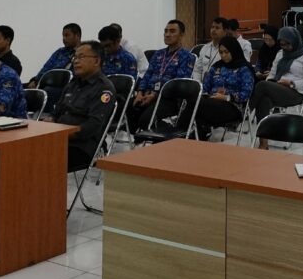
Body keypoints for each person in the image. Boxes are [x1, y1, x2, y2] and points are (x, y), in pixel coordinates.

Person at [50, 40, 117, 171]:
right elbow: (56, 112)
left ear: (96, 61)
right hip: (59, 139)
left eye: (81, 57)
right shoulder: (72, 84)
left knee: (39, 159)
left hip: (82, 147)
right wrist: (50, 121)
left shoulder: (103, 88)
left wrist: (63, 134)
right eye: (75, 57)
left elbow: (92, 126)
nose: (75, 61)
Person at [126, 19, 196, 133]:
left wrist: (154, 95)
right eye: (166, 31)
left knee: (145, 120)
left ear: (182, 35)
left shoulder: (187, 56)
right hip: (147, 95)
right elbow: (147, 74)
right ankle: (135, 139)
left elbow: (177, 83)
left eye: (172, 31)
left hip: (168, 99)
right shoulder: (158, 54)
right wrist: (140, 92)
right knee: (127, 108)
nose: (167, 34)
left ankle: (152, 138)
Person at [249, 26, 303, 141]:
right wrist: (271, 82)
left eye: (287, 44)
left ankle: (245, 111)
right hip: (278, 88)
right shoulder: (280, 53)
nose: (285, 47)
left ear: (295, 41)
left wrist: (291, 83)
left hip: (296, 92)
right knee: (264, 100)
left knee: (262, 85)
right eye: (282, 44)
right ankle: (263, 141)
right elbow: (272, 74)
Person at [195, 35, 254, 140]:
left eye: (226, 52)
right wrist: (205, 95)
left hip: (233, 106)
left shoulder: (244, 68)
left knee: (197, 107)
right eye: (221, 52)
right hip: (211, 101)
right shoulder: (216, 66)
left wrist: (226, 97)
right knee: (194, 102)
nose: (223, 55)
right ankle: (195, 135)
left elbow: (246, 94)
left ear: (234, 50)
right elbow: (205, 87)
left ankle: (187, 133)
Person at [27, 23, 81, 106]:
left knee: (46, 92)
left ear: (77, 36)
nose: (64, 38)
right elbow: (46, 67)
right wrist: (35, 80)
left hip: (66, 88)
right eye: (63, 36)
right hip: (46, 84)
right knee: (21, 88)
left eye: (67, 35)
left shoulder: (82, 53)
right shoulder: (60, 52)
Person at [194, 17, 226, 83]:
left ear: (225, 31)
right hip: (203, 86)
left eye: (217, 28)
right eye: (212, 27)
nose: (213, 30)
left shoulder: (228, 50)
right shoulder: (205, 48)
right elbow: (197, 70)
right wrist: (198, 84)